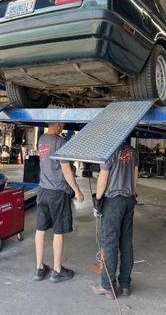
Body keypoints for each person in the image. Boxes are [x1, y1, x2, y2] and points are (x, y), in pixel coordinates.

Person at [34, 122, 84, 283]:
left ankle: (39, 268)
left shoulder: (41, 139)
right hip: (57, 192)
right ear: (57, 124)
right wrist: (77, 190)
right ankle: (57, 270)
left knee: (40, 229)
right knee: (58, 231)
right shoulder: (60, 142)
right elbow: (66, 170)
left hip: (42, 190)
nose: (62, 126)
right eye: (61, 124)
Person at [91, 142, 138, 299]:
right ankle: (125, 284)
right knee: (126, 242)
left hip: (113, 201)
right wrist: (131, 194)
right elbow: (135, 177)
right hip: (129, 199)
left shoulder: (109, 150)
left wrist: (97, 201)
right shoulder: (133, 151)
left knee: (109, 242)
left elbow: (103, 178)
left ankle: (107, 286)